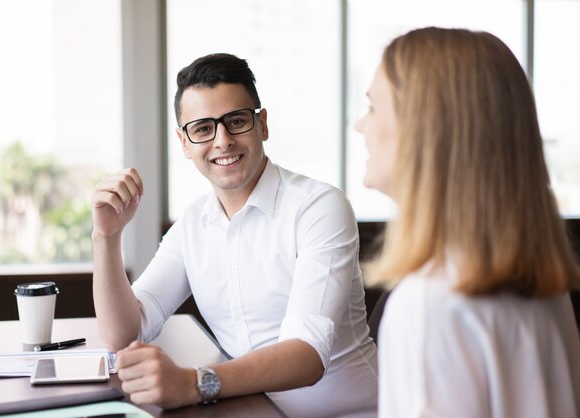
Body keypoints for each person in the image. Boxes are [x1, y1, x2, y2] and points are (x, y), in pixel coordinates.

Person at [91, 53, 378, 417]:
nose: (222, 141)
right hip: (250, 409)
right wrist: (107, 237)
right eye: (202, 129)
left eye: (237, 121)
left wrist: (194, 383)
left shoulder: (319, 207)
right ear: (184, 143)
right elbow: (124, 335)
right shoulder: (192, 226)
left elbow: (307, 354)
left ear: (263, 125)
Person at [356, 27, 580, 418]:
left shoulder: (429, 303)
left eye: (374, 107)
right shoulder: (541, 285)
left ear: (425, 129)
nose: (361, 125)